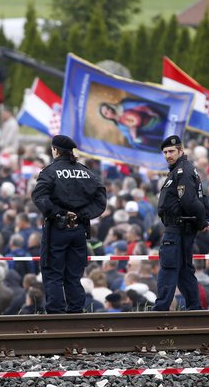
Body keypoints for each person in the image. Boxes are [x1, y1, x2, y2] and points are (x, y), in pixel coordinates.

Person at [31, 134, 107, 314]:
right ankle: (75, 312)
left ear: (56, 151)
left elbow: (39, 197)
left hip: (57, 229)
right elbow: (101, 199)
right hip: (79, 230)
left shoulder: (50, 172)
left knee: (53, 274)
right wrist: (82, 215)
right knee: (74, 275)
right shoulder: (87, 172)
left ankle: (56, 315)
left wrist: (60, 213)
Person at [152, 135, 209, 311]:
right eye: (165, 152)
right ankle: (195, 308)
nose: (168, 155)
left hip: (177, 229)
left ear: (181, 151)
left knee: (168, 268)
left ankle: (160, 310)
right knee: (184, 271)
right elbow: (200, 199)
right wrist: (202, 220)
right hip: (182, 228)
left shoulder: (182, 171)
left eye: (171, 151)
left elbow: (189, 201)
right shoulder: (182, 169)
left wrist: (202, 221)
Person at [99, 100, 166, 151]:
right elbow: (133, 141)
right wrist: (135, 136)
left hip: (156, 119)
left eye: (108, 108)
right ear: (106, 118)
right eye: (106, 113)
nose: (109, 111)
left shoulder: (124, 106)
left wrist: (149, 111)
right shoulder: (121, 127)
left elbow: (141, 105)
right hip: (152, 131)